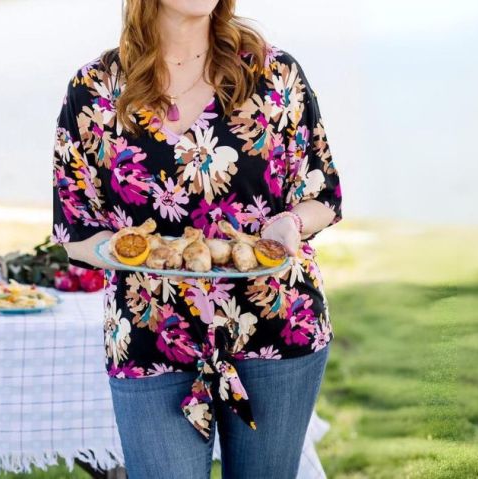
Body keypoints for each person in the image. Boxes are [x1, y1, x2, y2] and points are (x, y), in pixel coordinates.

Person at [52, 0, 343, 477]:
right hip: (150, 333)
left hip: (276, 326)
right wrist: (129, 250)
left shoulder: (275, 74)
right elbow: (75, 231)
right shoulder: (94, 89)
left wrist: (290, 223)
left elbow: (323, 194)